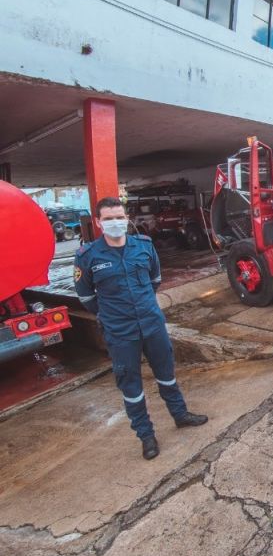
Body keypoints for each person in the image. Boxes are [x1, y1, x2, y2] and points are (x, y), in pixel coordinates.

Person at [74, 197, 208, 460]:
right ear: (99, 223)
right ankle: (146, 436)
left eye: (119, 217)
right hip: (120, 331)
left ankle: (180, 415)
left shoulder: (144, 247)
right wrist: (110, 315)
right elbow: (86, 297)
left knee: (166, 373)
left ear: (127, 219)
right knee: (131, 385)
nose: (116, 222)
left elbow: (155, 279)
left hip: (151, 322)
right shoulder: (87, 256)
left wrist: (143, 306)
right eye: (109, 218)